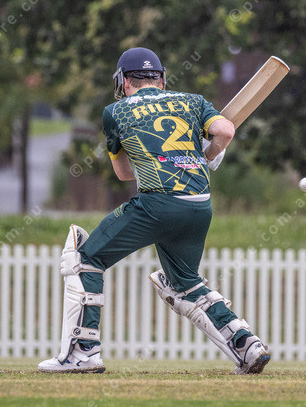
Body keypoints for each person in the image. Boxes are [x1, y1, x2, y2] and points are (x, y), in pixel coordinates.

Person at [38, 47, 270, 374]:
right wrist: (208, 153)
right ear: (161, 79)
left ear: (123, 82)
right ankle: (246, 344)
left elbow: (123, 174)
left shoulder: (115, 112)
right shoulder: (193, 101)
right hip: (199, 205)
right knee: (185, 285)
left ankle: (82, 353)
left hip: (158, 203)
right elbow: (225, 131)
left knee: (84, 259)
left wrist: (161, 159)